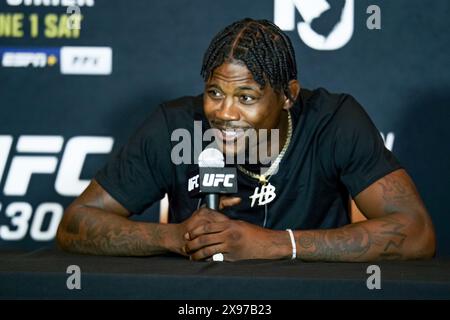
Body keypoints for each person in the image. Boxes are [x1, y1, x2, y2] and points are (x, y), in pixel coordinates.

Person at [56, 18, 435, 262]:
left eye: (247, 97)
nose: (225, 113)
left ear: (288, 95)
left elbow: (416, 232)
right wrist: (175, 236)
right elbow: (75, 224)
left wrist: (275, 244)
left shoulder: (334, 122)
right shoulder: (176, 126)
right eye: (215, 93)